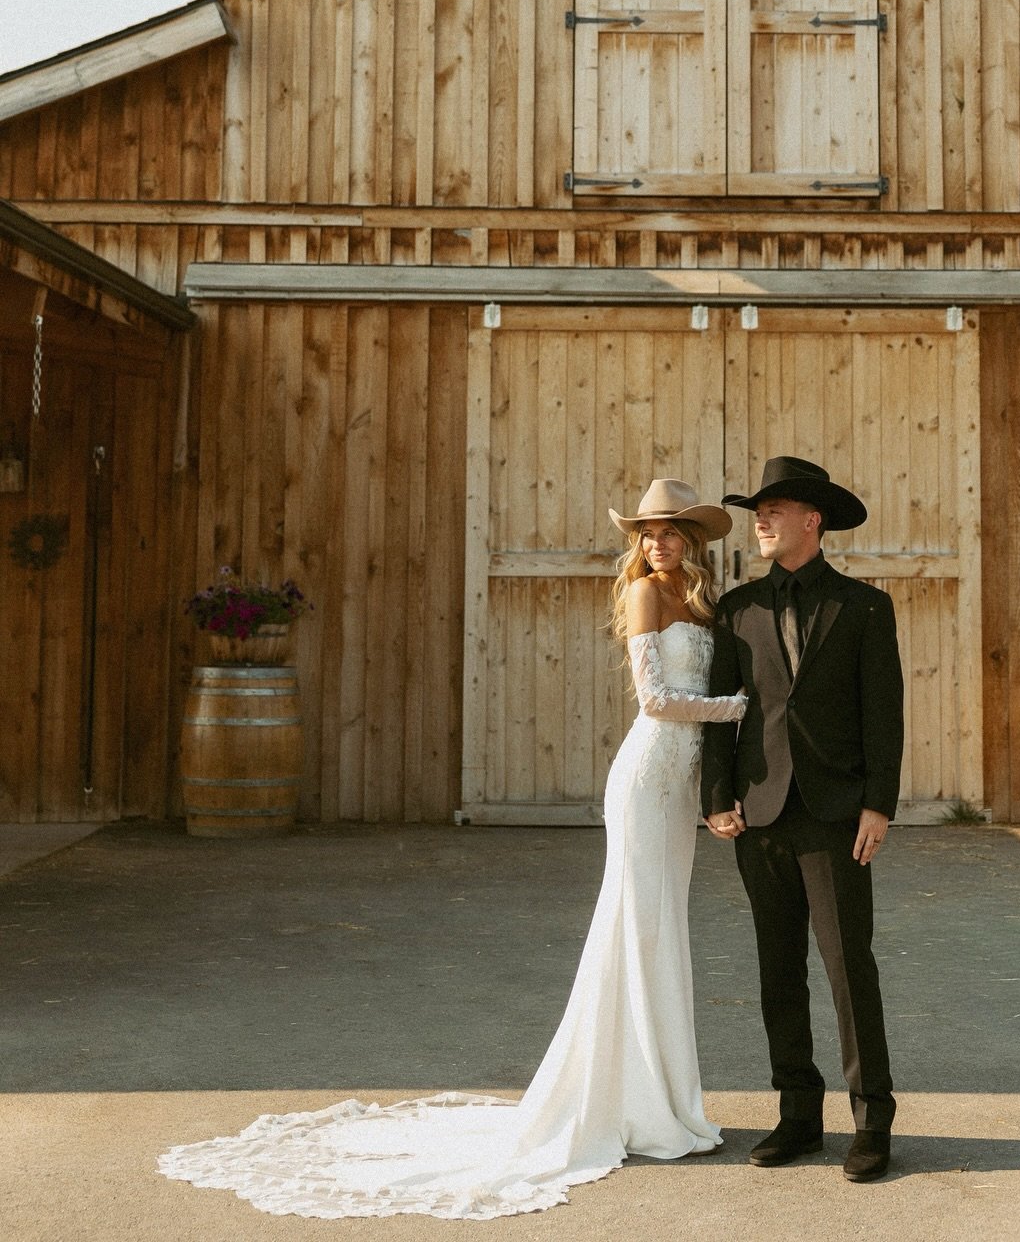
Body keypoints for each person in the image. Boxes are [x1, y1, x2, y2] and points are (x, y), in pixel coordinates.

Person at [157, 480, 746, 1222]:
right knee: (633, 926)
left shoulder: (703, 600)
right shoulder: (644, 598)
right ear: (639, 541)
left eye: (674, 532)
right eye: (650, 532)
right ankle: (631, 1104)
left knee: (663, 931)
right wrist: (738, 708)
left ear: (693, 542)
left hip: (682, 786)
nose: (660, 543)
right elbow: (656, 700)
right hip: (647, 775)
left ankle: (661, 1098)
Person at [701, 456, 903, 1184]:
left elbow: (885, 716)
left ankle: (872, 1123)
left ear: (812, 519)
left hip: (836, 815)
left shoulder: (865, 609)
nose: (760, 521)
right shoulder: (735, 609)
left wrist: (879, 803)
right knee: (777, 971)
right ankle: (797, 1115)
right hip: (759, 816)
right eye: (758, 511)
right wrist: (715, 797)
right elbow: (722, 716)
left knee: (851, 969)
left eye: (774, 509)